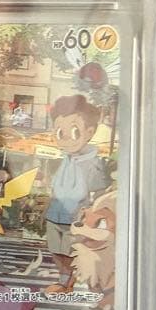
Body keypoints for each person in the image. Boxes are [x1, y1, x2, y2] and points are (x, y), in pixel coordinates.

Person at [44, 95, 111, 292]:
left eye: (74, 131)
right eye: (59, 132)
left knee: (71, 250)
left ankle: (69, 282)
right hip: (55, 213)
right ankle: (64, 279)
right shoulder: (62, 160)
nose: (65, 138)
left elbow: (100, 193)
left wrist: (92, 215)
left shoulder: (93, 164)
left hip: (76, 217)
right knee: (55, 249)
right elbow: (54, 188)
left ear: (89, 132)